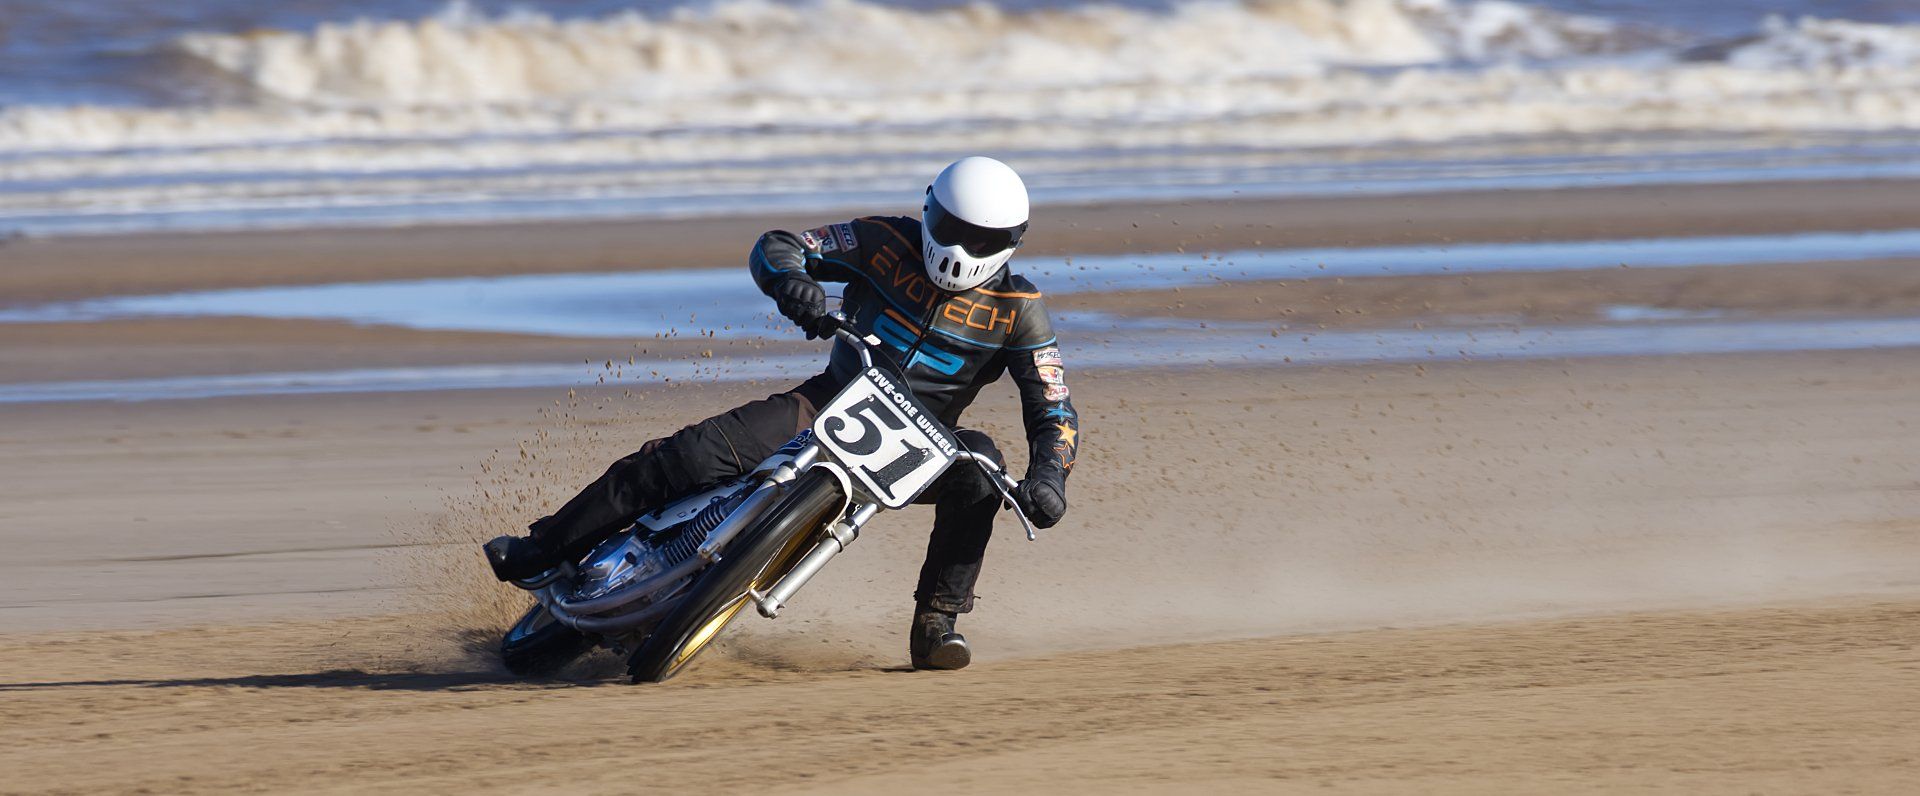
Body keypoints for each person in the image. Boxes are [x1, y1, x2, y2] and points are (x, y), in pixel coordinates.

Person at [484, 156, 1080, 670]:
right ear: (928, 212)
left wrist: (1050, 477)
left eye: (980, 239)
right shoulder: (882, 239)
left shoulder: (1020, 309)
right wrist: (794, 285)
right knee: (686, 455)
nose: (960, 248)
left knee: (983, 472)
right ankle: (544, 548)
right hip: (825, 402)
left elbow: (1053, 407)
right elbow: (781, 245)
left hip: (924, 443)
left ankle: (937, 625)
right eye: (951, 227)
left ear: (1012, 242)